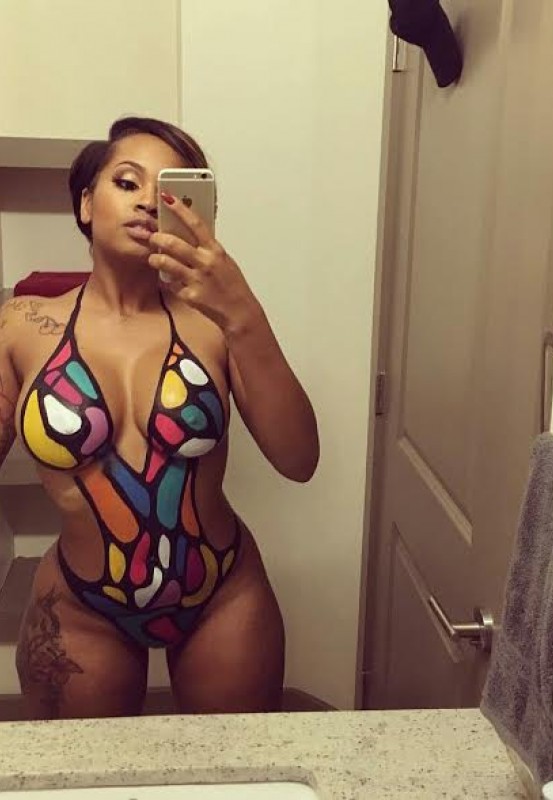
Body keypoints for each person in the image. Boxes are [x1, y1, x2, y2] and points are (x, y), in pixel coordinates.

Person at [0, 117, 319, 720]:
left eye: (169, 191)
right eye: (127, 182)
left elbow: (299, 459)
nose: (149, 201)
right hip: (81, 608)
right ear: (86, 204)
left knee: (236, 767)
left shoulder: (217, 323)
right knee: (83, 771)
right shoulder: (23, 324)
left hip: (222, 596)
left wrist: (243, 311)